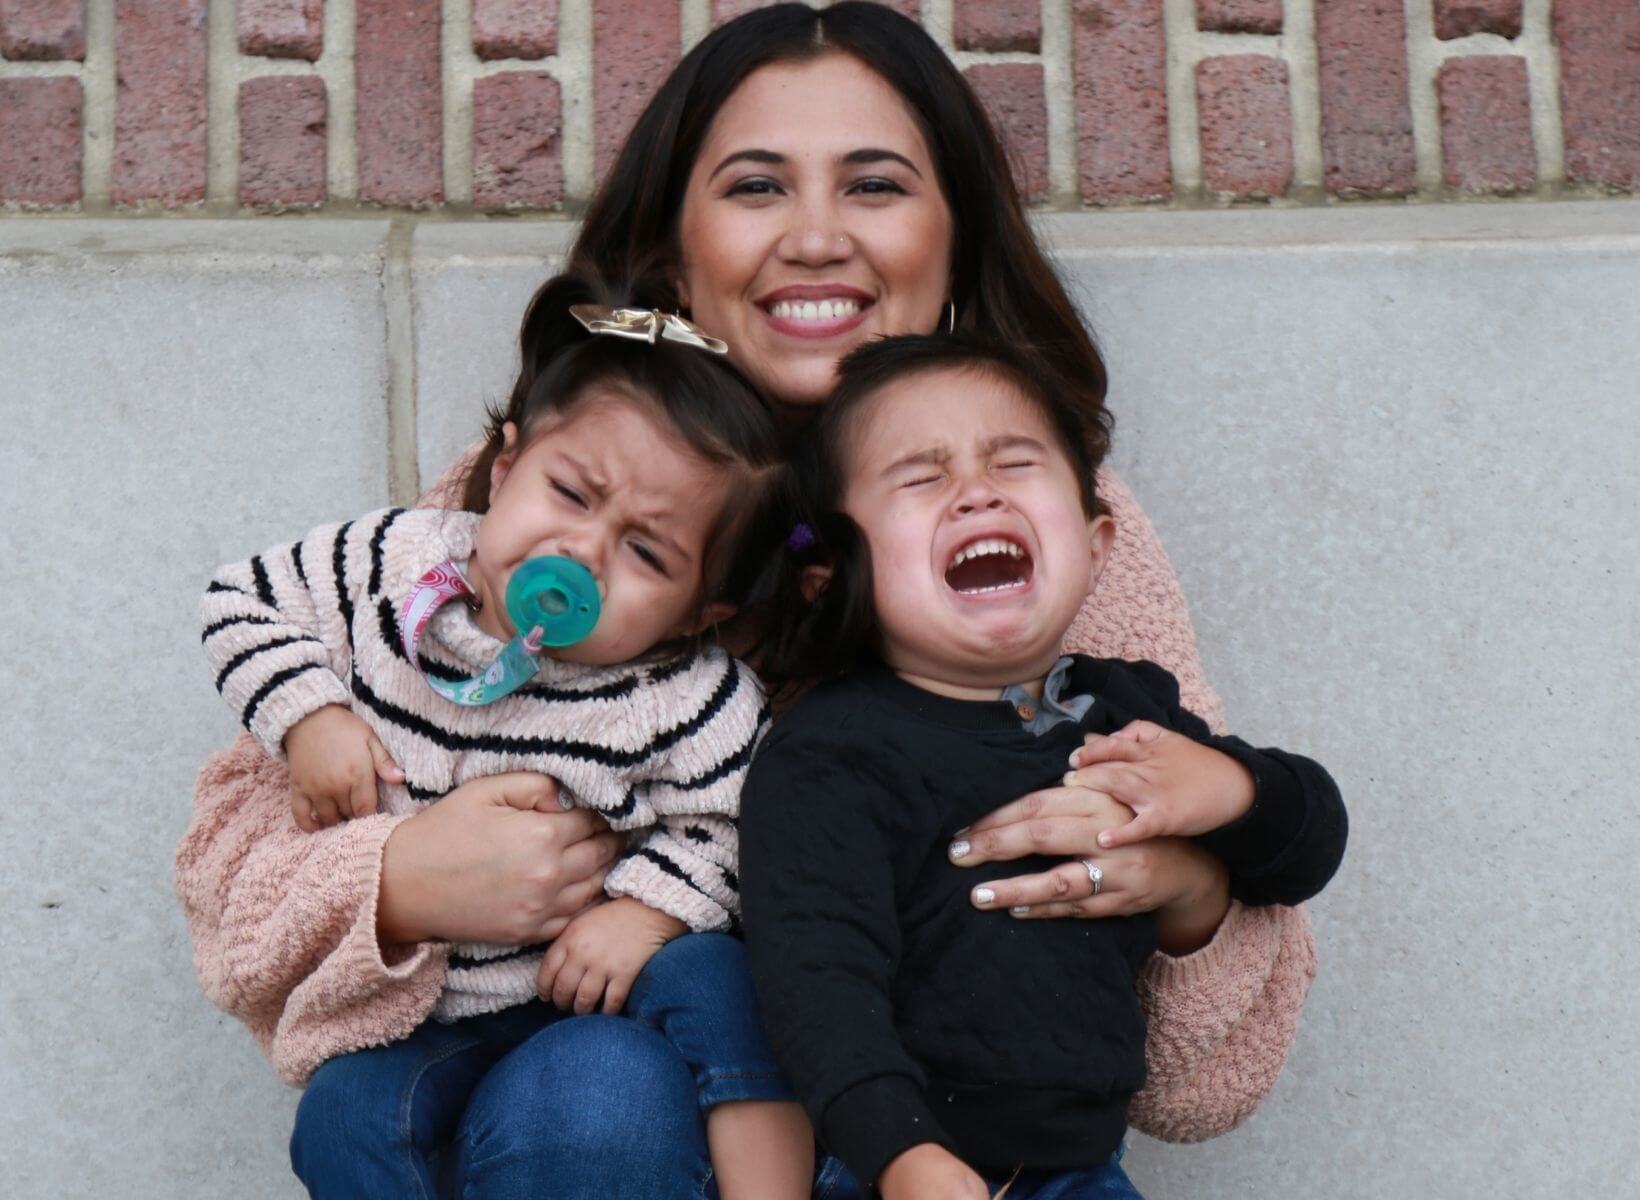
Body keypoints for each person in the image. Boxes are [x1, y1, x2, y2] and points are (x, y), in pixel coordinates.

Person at [174, 4, 1335, 1194]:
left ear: (954, 243)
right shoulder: (515, 528)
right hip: (595, 1134)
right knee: (589, 1091)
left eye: (875, 186)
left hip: (958, 1153)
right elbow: (233, 902)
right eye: (755, 188)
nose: (817, 237)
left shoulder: (1040, 534)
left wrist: (1186, 890)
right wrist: (402, 879)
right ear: (676, 251)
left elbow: (1209, 1087)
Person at [197, 271, 812, 1199]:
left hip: (575, 1003)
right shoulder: (393, 563)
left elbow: (735, 826)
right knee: (344, 1121)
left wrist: (644, 911)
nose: (584, 552)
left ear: (700, 612)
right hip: (419, 1015)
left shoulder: (681, 696)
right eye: (570, 492)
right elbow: (240, 600)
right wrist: (308, 716)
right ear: (508, 463)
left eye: (648, 553)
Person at [742, 335, 1347, 1200]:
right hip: (890, 1171)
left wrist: (1232, 791)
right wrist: (900, 1152)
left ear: (1097, 546)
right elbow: (817, 988)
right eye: (920, 477)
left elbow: (1310, 846)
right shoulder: (831, 754)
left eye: (1015, 463)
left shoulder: (1132, 717)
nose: (975, 491)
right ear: (829, 576)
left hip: (1084, 1173)